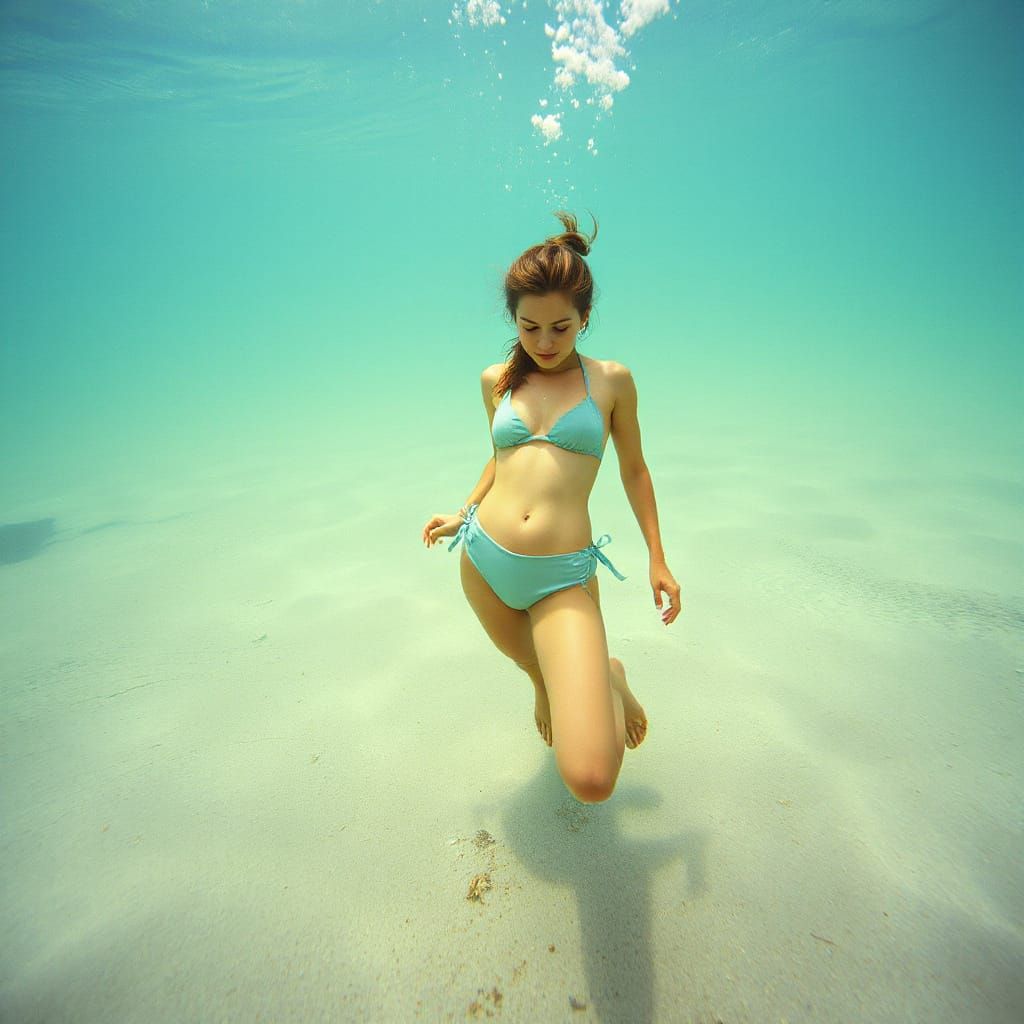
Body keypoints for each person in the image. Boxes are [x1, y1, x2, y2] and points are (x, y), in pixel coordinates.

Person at [422, 211, 681, 804]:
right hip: (484, 563)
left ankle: (610, 677)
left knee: (591, 781)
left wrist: (657, 559)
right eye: (529, 326)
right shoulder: (496, 379)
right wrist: (461, 512)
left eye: (561, 328)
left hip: (561, 578)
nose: (543, 343)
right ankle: (545, 683)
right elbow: (500, 459)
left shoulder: (611, 382)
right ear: (512, 318)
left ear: (584, 319)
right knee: (536, 670)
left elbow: (635, 470)